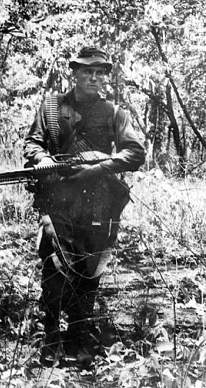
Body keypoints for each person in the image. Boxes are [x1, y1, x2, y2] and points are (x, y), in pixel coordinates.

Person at [24, 46, 145, 366]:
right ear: (74, 73)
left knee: (90, 272)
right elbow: (32, 143)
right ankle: (51, 338)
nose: (94, 77)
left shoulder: (114, 113)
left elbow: (135, 154)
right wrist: (43, 158)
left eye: (100, 72)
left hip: (97, 203)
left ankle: (79, 338)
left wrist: (99, 167)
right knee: (55, 266)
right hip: (58, 199)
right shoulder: (51, 107)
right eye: (87, 71)